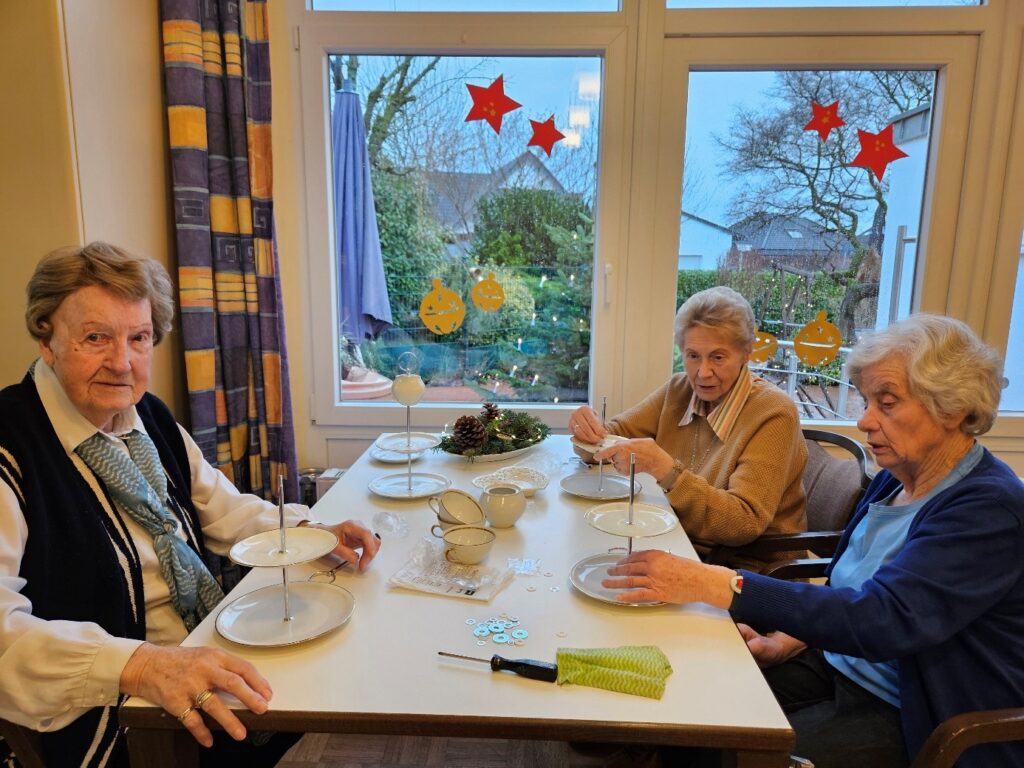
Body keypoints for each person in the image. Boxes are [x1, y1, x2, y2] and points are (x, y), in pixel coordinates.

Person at [0, 243, 380, 767]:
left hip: (199, 651)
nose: (121, 362)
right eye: (95, 338)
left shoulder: (147, 417)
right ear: (47, 339)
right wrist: (139, 666)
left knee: (348, 652)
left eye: (138, 338)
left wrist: (316, 533)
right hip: (109, 709)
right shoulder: (10, 446)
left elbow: (223, 511)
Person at [602, 314, 1024, 768]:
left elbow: (884, 618)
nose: (864, 420)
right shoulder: (898, 479)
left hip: (910, 709)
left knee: (732, 754)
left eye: (887, 403)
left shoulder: (988, 510)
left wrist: (719, 584)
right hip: (837, 664)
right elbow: (850, 584)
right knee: (695, 714)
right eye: (866, 401)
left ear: (954, 408)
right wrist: (787, 640)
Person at [568, 286, 806, 558]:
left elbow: (743, 523)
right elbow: (608, 439)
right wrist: (585, 431)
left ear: (746, 353)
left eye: (718, 357)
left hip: (745, 570)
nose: (703, 373)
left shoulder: (774, 413)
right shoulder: (680, 389)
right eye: (693, 356)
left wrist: (666, 470)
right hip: (676, 541)